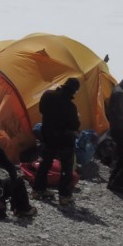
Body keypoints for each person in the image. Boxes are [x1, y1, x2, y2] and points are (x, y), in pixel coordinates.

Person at [32, 77, 81, 205]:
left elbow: (42, 110)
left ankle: (38, 190)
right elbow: (74, 125)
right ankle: (64, 196)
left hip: (48, 134)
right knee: (66, 167)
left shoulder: (48, 95)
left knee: (45, 163)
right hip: (64, 139)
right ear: (74, 92)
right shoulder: (71, 107)